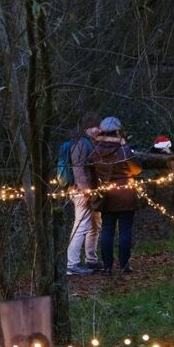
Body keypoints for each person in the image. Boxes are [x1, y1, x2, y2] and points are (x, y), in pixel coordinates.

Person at [90, 117, 142, 274]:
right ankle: (124, 265)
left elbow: (93, 169)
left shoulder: (96, 150)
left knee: (107, 230)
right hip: (125, 193)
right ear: (118, 131)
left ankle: (107, 267)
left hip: (106, 194)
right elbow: (136, 169)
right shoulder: (123, 149)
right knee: (125, 230)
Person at [65, 113, 102, 276]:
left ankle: (91, 259)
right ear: (88, 127)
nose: (99, 130)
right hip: (81, 192)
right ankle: (72, 264)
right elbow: (78, 168)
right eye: (96, 127)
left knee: (95, 224)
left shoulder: (88, 142)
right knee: (81, 226)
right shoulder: (80, 143)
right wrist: (85, 190)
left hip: (90, 191)